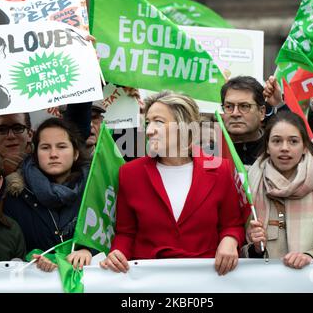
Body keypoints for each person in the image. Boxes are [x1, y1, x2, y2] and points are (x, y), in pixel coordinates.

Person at [100, 91, 246, 276]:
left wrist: (230, 239)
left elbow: (232, 224)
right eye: (147, 123)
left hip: (207, 279)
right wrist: (118, 253)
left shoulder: (221, 169)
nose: (150, 130)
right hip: (149, 282)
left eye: (158, 122)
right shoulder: (130, 173)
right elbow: (126, 232)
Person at [243, 111, 313, 269]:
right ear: (267, 147)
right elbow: (238, 250)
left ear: (305, 147)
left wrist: (308, 257)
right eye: (277, 141)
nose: (284, 148)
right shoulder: (250, 184)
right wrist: (255, 249)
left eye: (293, 141)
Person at [3, 117, 95, 271]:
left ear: (76, 154)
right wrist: (31, 257)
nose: (53, 154)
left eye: (61, 146)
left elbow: (111, 234)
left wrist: (89, 251)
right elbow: (10, 250)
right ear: (35, 153)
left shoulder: (94, 189)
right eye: (45, 147)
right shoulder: (16, 195)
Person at [221, 76, 284, 165]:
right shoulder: (210, 148)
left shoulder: (277, 149)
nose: (235, 113)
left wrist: (279, 104)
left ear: (262, 112)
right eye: (228, 107)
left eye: (244, 106)